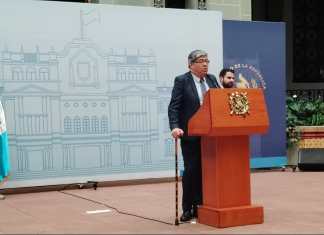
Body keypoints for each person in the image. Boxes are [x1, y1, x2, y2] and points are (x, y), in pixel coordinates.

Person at [168, 50, 220, 222]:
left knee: (208, 171)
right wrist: (175, 127)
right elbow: (174, 107)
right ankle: (188, 207)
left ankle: (203, 205)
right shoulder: (182, 80)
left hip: (211, 135)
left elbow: (220, 102)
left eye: (207, 61)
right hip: (191, 134)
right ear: (190, 64)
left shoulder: (212, 79)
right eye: (201, 61)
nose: (205, 64)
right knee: (192, 170)